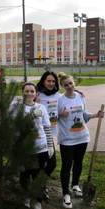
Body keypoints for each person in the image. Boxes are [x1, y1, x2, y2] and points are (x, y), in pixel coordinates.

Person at [57, 72, 104, 209]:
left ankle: (75, 185)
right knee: (66, 166)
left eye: (71, 83)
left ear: (74, 83)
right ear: (62, 87)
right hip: (67, 139)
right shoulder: (60, 100)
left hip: (82, 137)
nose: (69, 86)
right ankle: (66, 193)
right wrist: (61, 114)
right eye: (66, 85)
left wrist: (96, 115)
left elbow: (84, 114)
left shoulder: (80, 96)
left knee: (78, 162)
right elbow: (53, 117)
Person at [9, 82, 53, 209]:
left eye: (32, 91)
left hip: (40, 147)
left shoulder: (42, 108)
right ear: (22, 93)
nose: (29, 93)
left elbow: (46, 127)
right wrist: (32, 115)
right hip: (24, 149)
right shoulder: (18, 108)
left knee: (38, 177)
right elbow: (17, 127)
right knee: (24, 175)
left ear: (36, 94)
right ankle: (27, 195)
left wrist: (50, 145)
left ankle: (38, 203)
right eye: (26, 91)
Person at [36, 71, 60, 199]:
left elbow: (68, 99)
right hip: (39, 135)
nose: (51, 83)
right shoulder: (37, 95)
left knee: (51, 164)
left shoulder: (59, 96)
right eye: (48, 81)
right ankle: (39, 186)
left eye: (53, 81)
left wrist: (77, 93)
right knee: (41, 164)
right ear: (43, 81)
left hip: (51, 135)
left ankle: (40, 183)